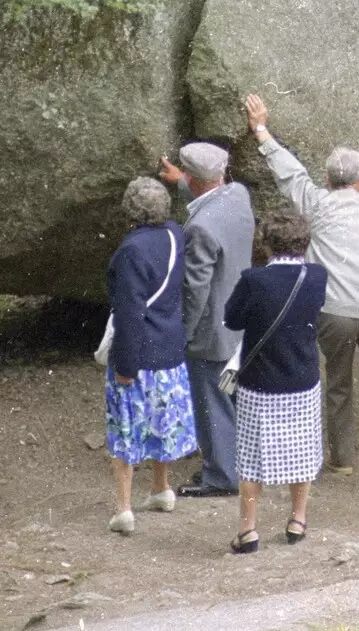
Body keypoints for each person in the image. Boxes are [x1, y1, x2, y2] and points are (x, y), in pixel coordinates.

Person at [245, 94, 359, 495]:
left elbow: (290, 174)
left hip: (333, 311)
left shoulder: (318, 204)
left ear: (328, 179)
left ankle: (342, 458)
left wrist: (261, 129)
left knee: (337, 383)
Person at [223, 209, 328, 553]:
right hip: (302, 377)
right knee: (303, 451)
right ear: (304, 242)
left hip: (260, 381)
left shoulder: (254, 280)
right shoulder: (316, 276)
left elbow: (232, 319)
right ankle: (297, 520)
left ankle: (248, 530)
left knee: (252, 457)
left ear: (265, 243)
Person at [157, 143, 254, 499]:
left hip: (212, 329)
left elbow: (195, 289)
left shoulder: (199, 227)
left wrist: (181, 332)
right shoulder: (240, 196)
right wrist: (183, 179)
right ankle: (242, 464)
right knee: (235, 396)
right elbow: (209, 189)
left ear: (195, 179)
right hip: (241, 320)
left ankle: (221, 476)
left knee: (212, 402)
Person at [103, 177, 197, 535]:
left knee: (125, 430)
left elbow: (129, 315)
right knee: (162, 420)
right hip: (170, 348)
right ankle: (161, 489)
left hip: (139, 354)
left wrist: (125, 366)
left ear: (130, 210)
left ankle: (124, 509)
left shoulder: (131, 251)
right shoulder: (174, 233)